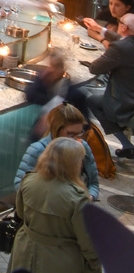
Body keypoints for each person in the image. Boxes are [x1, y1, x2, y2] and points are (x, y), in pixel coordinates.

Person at [7, 139, 102, 273]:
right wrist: (96, 262)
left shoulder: (29, 181)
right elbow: (87, 242)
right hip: (61, 265)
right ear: (73, 163)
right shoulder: (77, 198)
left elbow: (20, 213)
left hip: (25, 253)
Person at [14, 104, 100, 201]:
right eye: (70, 134)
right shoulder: (37, 150)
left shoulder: (83, 147)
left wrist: (90, 198)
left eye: (79, 134)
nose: (75, 139)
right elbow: (20, 184)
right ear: (57, 129)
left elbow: (94, 184)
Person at [82, 11, 134, 160]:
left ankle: (126, 143)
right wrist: (100, 29)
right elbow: (123, 40)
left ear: (124, 27)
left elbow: (95, 69)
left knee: (92, 101)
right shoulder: (125, 44)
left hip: (125, 103)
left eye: (120, 23)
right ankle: (127, 146)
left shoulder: (119, 48)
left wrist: (106, 49)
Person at [22, 49, 96, 127]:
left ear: (63, 69)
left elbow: (85, 123)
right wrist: (42, 80)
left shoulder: (74, 94)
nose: (52, 70)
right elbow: (29, 94)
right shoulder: (42, 82)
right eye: (51, 66)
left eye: (56, 66)